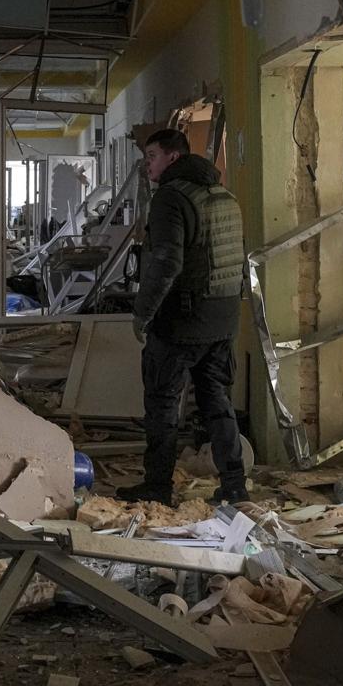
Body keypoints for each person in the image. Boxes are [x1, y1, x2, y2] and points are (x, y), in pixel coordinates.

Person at [117, 128, 247, 506]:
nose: (147, 164)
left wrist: (143, 313)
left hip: (180, 321)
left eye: (152, 156)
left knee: (162, 404)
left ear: (174, 158)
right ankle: (235, 484)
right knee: (216, 400)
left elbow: (166, 263)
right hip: (221, 320)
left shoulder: (170, 199)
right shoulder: (223, 196)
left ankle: (158, 486)